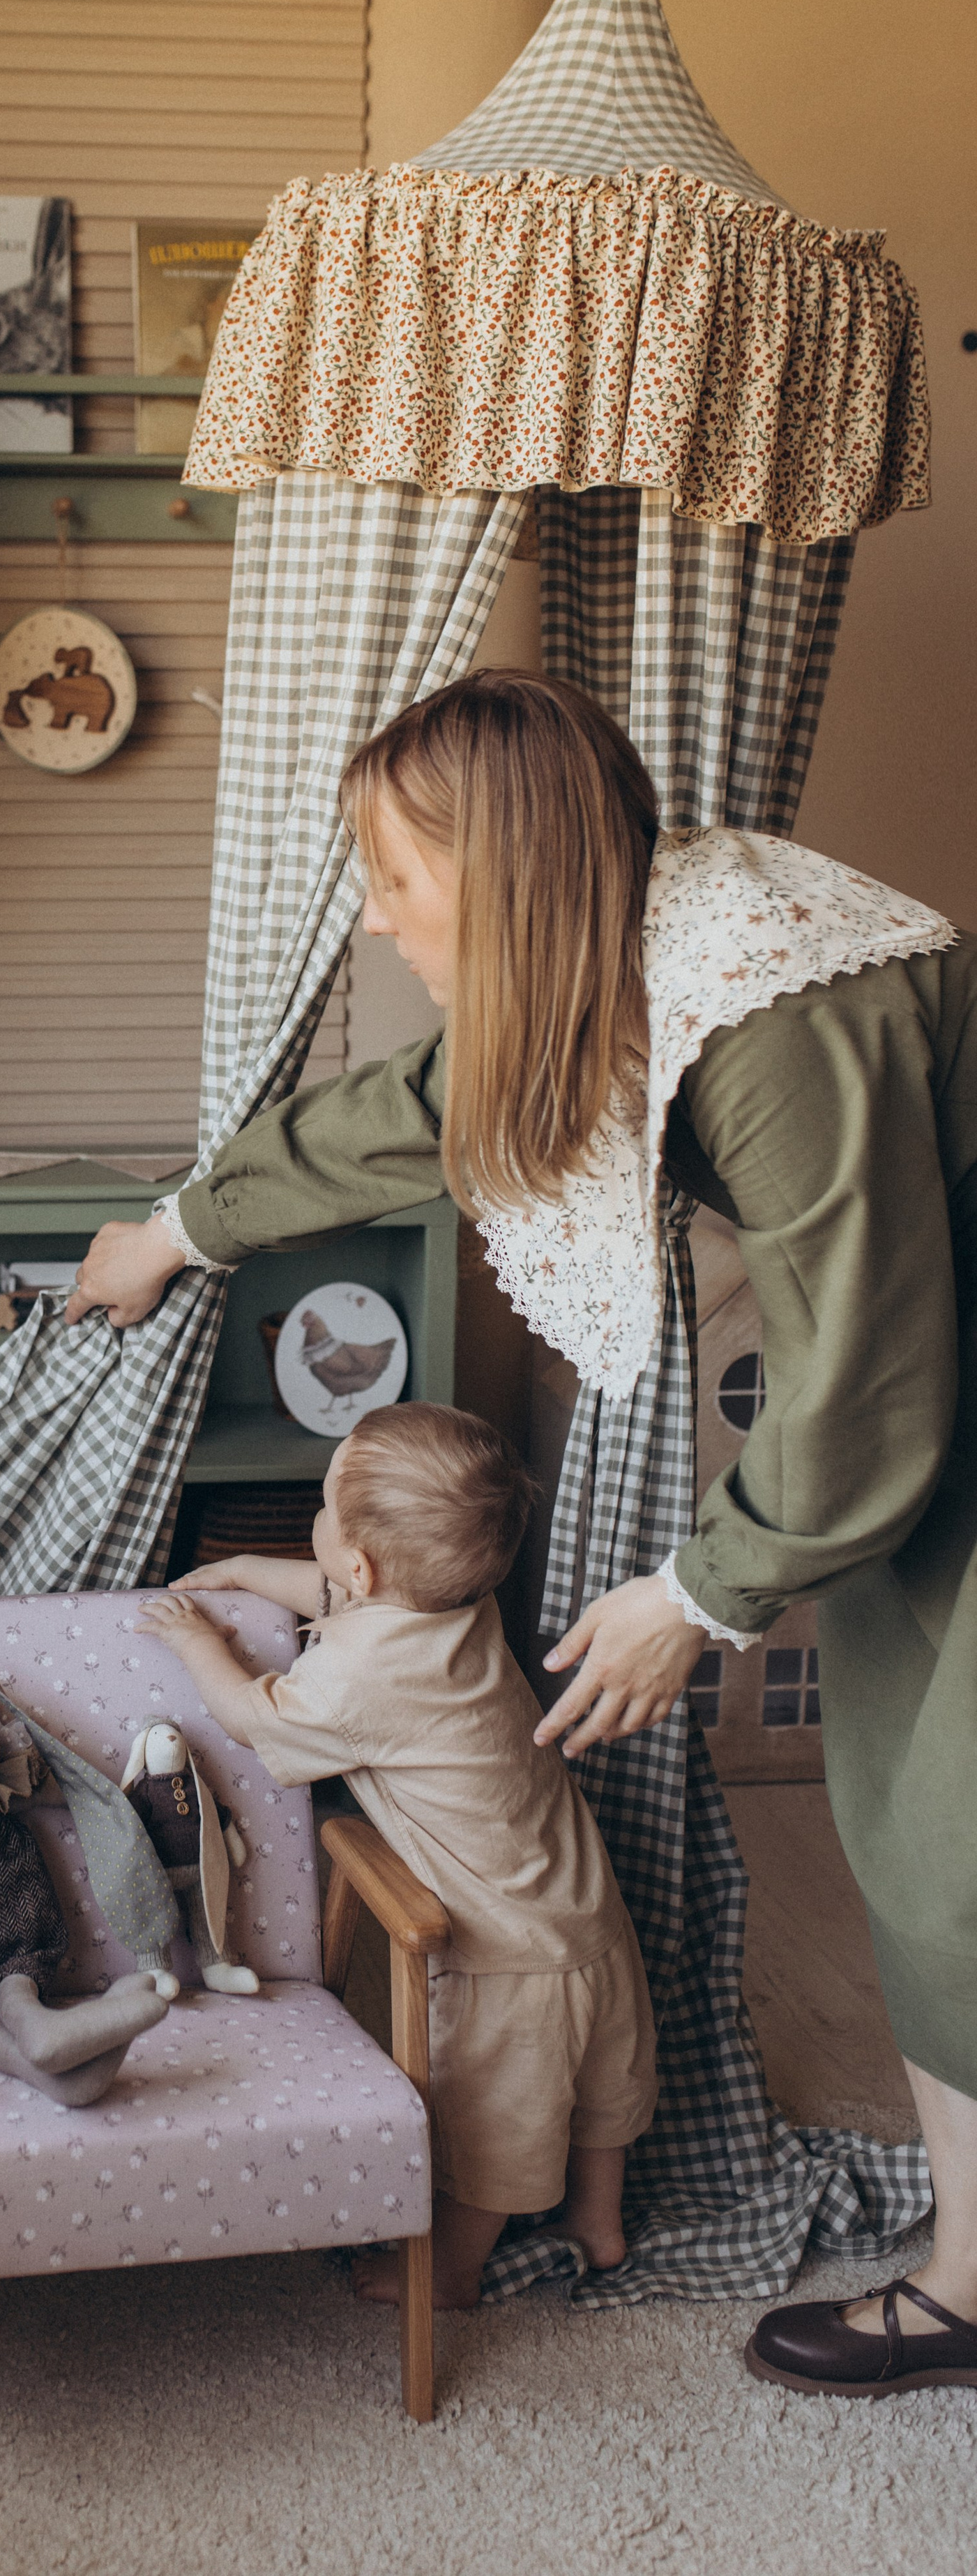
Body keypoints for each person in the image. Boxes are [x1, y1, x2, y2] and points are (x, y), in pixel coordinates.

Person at [68, 669, 977, 2397]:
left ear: (504, 869)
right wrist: (175, 1230)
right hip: (916, 1412)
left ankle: (959, 2288)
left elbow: (867, 1382)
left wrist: (693, 1596)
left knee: (947, 1843)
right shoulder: (621, 962)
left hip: (922, 1398)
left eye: (397, 873)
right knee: (898, 1812)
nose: (382, 913)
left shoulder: (775, 1012)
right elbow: (400, 1112)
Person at [140, 1400, 657, 2309]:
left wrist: (197, 1641)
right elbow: (339, 1592)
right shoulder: (462, 1602)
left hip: (506, 1951)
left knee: (489, 2121)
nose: (320, 1527)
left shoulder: (357, 1679)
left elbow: (257, 1719)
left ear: (362, 1561)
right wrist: (243, 1573)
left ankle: (452, 2271)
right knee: (599, 2085)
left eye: (325, 1511)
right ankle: (598, 2221)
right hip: (585, 1906)